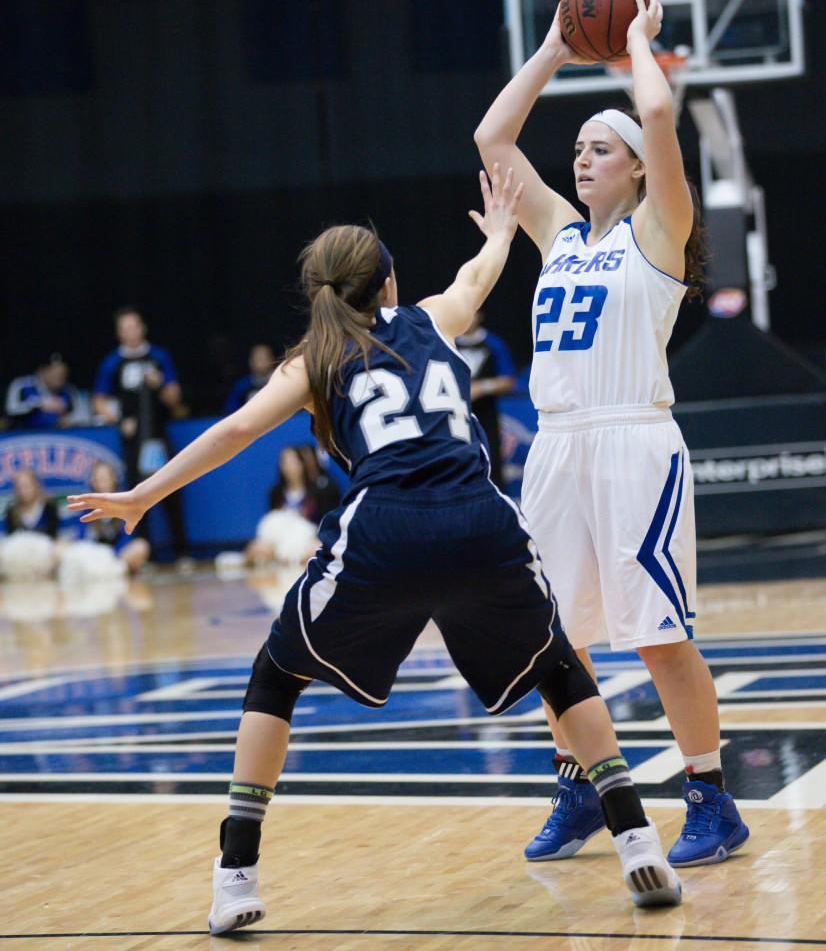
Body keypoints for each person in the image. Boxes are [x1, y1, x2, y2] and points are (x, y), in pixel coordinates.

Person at [69, 167, 681, 935]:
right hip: (478, 519)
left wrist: (143, 496)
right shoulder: (428, 320)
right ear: (389, 281)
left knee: (276, 674)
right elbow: (476, 279)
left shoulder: (313, 360)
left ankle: (235, 875)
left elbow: (230, 433)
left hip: (386, 529)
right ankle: (634, 839)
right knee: (557, 665)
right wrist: (497, 233)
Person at [474, 0, 748, 868]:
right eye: (579, 149)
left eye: (600, 149)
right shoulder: (557, 237)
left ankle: (710, 795)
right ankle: (585, 787)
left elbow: (658, 109)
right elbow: (493, 141)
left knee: (659, 634)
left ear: (636, 169)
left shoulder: (657, 236)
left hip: (634, 440)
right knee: (555, 639)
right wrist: (556, 45)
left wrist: (632, 40)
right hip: (556, 446)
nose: (582, 160)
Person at [92, 307, 189, 559]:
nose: (131, 332)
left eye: (134, 326)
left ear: (142, 327)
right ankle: (144, 552)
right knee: (137, 491)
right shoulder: (112, 362)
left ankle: (181, 550)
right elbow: (99, 401)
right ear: (118, 333)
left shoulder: (158, 356)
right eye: (125, 328)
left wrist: (159, 386)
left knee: (171, 487)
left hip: (157, 434)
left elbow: (174, 397)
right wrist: (119, 419)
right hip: (132, 439)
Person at [455, 310, 517, 489]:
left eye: (472, 313)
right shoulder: (448, 342)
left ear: (479, 315)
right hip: (456, 416)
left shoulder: (493, 344)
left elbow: (508, 381)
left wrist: (482, 388)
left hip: (486, 415)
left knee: (491, 462)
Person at [74, 462, 151, 575]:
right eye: (98, 479)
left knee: (141, 546)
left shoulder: (124, 502)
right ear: (93, 482)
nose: (102, 482)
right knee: (63, 547)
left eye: (105, 478)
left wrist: (112, 557)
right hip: (93, 558)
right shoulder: (86, 505)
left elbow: (128, 536)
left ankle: (116, 572)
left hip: (118, 558)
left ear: (113, 479)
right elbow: (81, 539)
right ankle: (100, 573)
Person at [5, 354, 79, 429]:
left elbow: (79, 416)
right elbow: (11, 410)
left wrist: (67, 418)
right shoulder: (21, 385)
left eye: (63, 374)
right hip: (23, 434)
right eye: (55, 373)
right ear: (41, 371)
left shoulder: (69, 390)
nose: (60, 377)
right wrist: (39, 405)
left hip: (59, 435)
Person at [4, 469, 59, 537]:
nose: (23, 491)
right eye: (20, 487)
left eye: (27, 486)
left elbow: (53, 534)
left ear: (36, 484)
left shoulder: (49, 506)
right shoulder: (11, 511)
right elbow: (11, 537)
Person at [224, 344, 277, 414]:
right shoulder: (242, 385)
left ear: (272, 359)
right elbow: (230, 410)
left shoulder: (280, 382)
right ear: (251, 361)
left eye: (265, 358)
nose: (262, 362)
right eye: (259, 358)